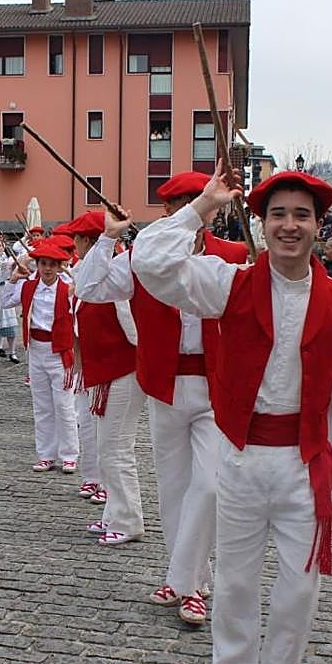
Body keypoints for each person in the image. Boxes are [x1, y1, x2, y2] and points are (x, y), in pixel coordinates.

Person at [130, 163, 332, 664]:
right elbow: (151, 263)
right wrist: (202, 207)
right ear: (261, 224)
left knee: (299, 587)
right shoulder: (228, 283)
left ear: (318, 225)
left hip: (303, 466)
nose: (290, 225)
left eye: (302, 215)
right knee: (236, 582)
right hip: (238, 458)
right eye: (278, 214)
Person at [72, 171, 249, 625]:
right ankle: (187, 582)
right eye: (183, 204)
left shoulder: (233, 255)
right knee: (173, 489)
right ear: (168, 211)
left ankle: (188, 581)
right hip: (164, 387)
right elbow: (88, 289)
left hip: (215, 389)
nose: (194, 210)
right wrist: (108, 239)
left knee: (208, 487)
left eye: (200, 202)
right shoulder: (140, 259)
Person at [55, 209, 146, 542]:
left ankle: (128, 521)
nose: (74, 247)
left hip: (122, 371)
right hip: (104, 373)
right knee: (106, 448)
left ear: (87, 241)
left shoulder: (117, 275)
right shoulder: (88, 274)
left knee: (116, 449)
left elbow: (135, 330)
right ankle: (114, 515)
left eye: (77, 240)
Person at [3, 236, 79, 473]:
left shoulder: (68, 289)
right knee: (42, 406)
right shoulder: (28, 287)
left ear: (59, 267)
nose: (47, 269)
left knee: (64, 405)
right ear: (37, 265)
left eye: (52, 265)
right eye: (43, 264)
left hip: (60, 352)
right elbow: (5, 302)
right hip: (36, 350)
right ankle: (46, 454)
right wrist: (13, 279)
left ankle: (69, 455)